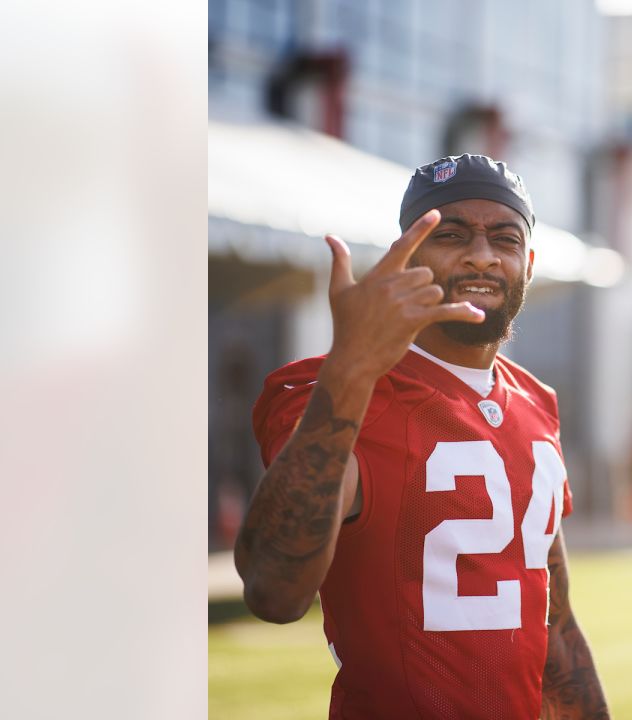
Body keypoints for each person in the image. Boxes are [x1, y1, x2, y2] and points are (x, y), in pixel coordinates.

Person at [237, 155, 610, 719]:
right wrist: (351, 369)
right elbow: (273, 589)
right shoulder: (327, 384)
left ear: (527, 263)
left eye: (503, 238)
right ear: (406, 257)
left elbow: (555, 624)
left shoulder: (536, 403)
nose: (481, 254)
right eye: (451, 234)